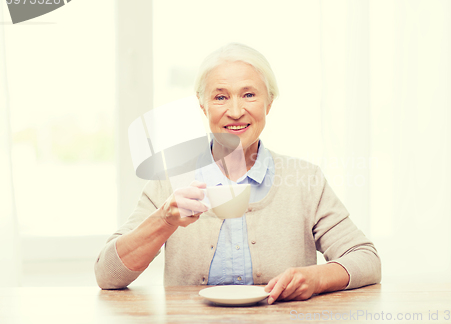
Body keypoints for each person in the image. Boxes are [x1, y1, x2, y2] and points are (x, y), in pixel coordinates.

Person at [95, 43, 381, 304]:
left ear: (269, 103)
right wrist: (163, 221)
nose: (235, 111)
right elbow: (107, 275)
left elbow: (366, 259)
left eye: (249, 94)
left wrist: (316, 278)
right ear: (202, 106)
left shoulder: (305, 179)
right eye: (220, 97)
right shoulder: (171, 178)